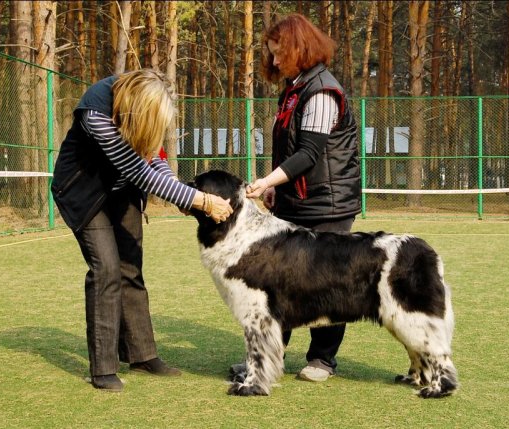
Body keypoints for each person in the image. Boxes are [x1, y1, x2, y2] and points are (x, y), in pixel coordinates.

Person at [52, 69, 233, 392]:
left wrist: (180, 192)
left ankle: (141, 354)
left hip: (121, 192)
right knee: (106, 269)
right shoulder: (97, 112)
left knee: (130, 268)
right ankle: (103, 368)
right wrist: (200, 200)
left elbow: (153, 158)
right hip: (84, 193)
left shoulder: (142, 107)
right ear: (137, 107)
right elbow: (140, 172)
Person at [243, 13, 361, 382]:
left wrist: (265, 181)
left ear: (299, 48)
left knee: (327, 283)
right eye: (272, 54)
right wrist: (278, 186)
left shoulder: (323, 91)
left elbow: (310, 153)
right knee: (280, 283)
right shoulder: (294, 90)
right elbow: (291, 151)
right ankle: (267, 358)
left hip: (328, 205)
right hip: (296, 202)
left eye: (279, 53)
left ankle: (322, 360)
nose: (274, 61)